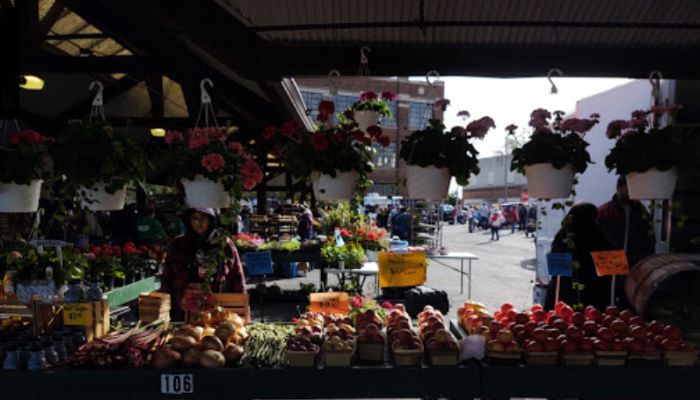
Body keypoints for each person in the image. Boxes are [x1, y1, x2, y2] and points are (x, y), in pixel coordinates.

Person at [161, 208, 246, 321]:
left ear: (210, 221)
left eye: (203, 218)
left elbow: (237, 275)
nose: (198, 223)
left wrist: (242, 309)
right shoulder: (178, 244)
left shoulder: (224, 244)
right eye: (194, 218)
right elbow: (167, 278)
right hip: (182, 308)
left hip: (217, 309)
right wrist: (164, 308)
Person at [545, 203, 614, 310]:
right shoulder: (598, 237)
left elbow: (557, 274)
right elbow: (608, 274)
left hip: (563, 296)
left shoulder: (562, 237)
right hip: (594, 298)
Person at [597, 176, 656, 268]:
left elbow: (649, 240)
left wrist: (641, 260)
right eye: (629, 187)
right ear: (619, 188)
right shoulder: (603, 212)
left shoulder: (641, 212)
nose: (633, 192)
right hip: (609, 266)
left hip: (635, 265)